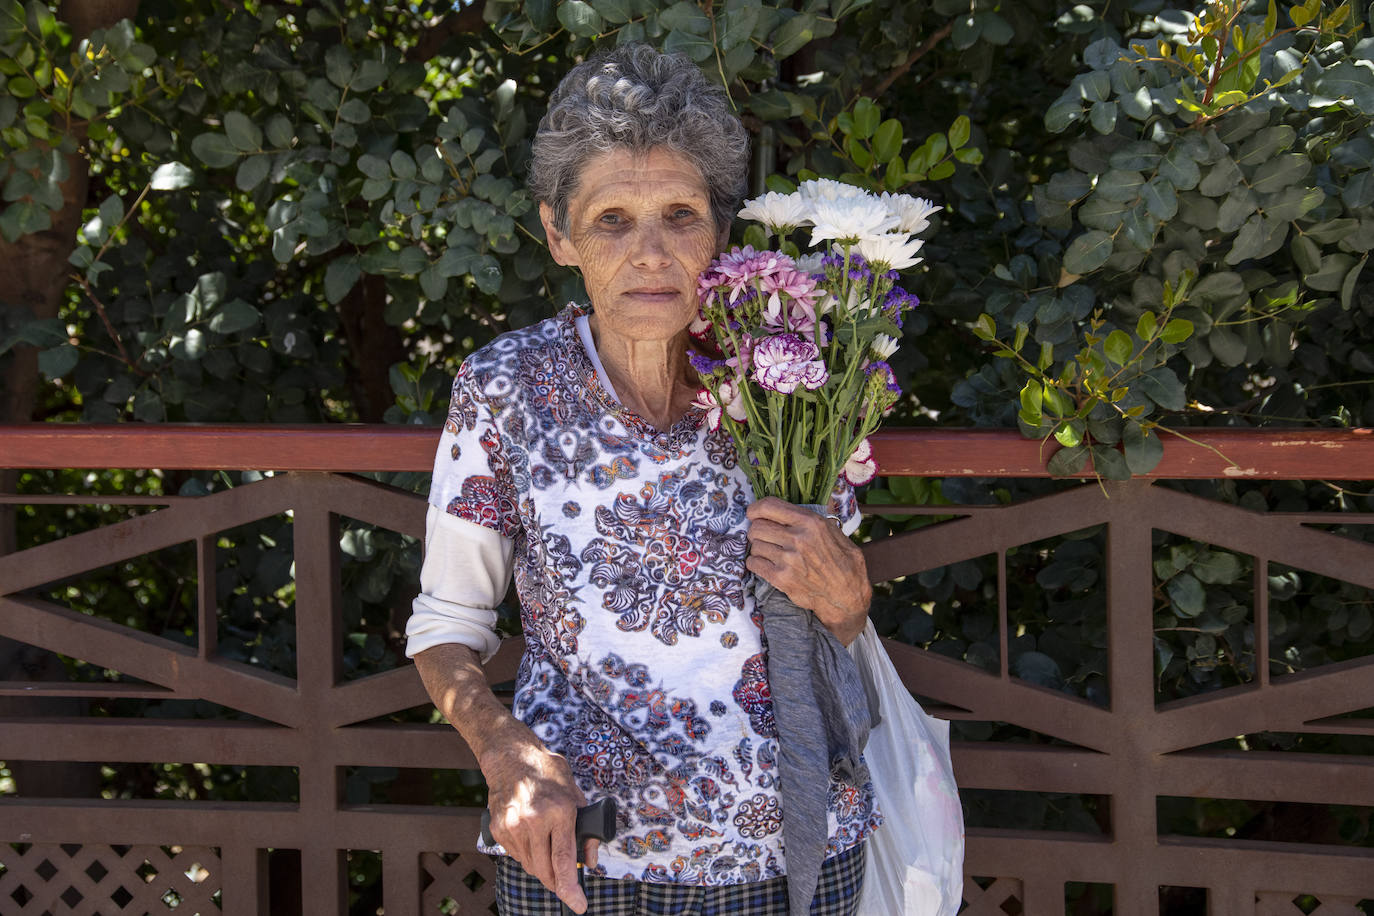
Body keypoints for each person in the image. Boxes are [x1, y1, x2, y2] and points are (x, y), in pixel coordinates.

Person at [406, 44, 878, 916]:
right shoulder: (506, 386)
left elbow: (838, 620)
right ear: (559, 236)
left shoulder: (787, 376)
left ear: (720, 233)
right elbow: (446, 625)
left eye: (680, 215)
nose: (652, 252)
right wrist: (503, 752)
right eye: (613, 220)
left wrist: (848, 595)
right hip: (585, 849)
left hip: (793, 848)